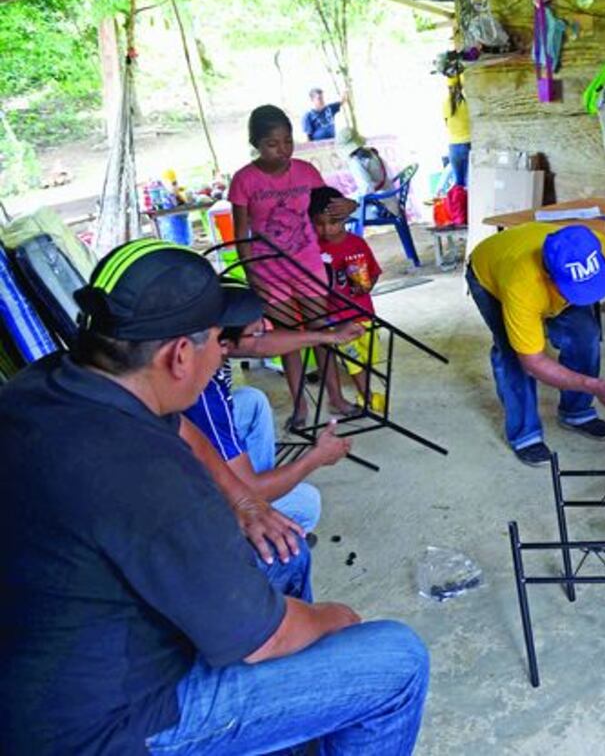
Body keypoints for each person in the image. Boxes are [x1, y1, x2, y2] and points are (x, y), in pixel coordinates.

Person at [0, 239, 429, 755]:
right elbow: (265, 640)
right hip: (111, 728)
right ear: (180, 354)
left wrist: (245, 503)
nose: (225, 353)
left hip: (55, 664)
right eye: (220, 342)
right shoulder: (150, 476)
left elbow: (179, 428)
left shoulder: (49, 383)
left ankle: (291, 729)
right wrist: (336, 620)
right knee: (395, 659)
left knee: (286, 550)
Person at [466, 223, 605, 466]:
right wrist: (595, 386)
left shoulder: (600, 249)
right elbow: (533, 362)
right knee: (512, 355)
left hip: (531, 258)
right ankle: (525, 434)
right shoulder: (522, 286)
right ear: (551, 279)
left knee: (585, 334)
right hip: (489, 273)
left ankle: (576, 412)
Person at [230, 104, 361, 431]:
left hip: (308, 265)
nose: (283, 150)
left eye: (288, 141)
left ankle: (336, 398)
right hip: (269, 272)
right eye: (272, 144)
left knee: (323, 332)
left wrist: (350, 205)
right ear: (256, 144)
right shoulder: (244, 181)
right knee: (290, 340)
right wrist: (252, 275)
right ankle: (300, 408)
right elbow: (240, 234)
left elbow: (330, 208)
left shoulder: (306, 172)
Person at [182, 311, 363, 543]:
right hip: (194, 496)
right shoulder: (206, 397)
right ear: (225, 344)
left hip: (194, 456)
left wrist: (329, 337)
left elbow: (260, 344)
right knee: (307, 503)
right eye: (256, 333)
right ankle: (263, 526)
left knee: (252, 400)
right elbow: (246, 494)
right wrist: (316, 457)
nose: (264, 337)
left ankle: (266, 488)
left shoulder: (210, 343)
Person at [311, 186, 387, 413]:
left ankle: (366, 393)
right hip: (336, 320)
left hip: (363, 313)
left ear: (344, 218)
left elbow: (373, 272)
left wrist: (366, 286)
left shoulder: (357, 244)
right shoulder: (313, 249)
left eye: (333, 222)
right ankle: (366, 395)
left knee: (368, 357)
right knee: (354, 362)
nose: (326, 229)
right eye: (320, 224)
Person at [443, 74, 471, 187]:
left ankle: (458, 198)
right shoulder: (468, 101)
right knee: (471, 182)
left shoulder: (446, 103)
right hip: (469, 144)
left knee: (459, 183)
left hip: (453, 147)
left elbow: (446, 123)